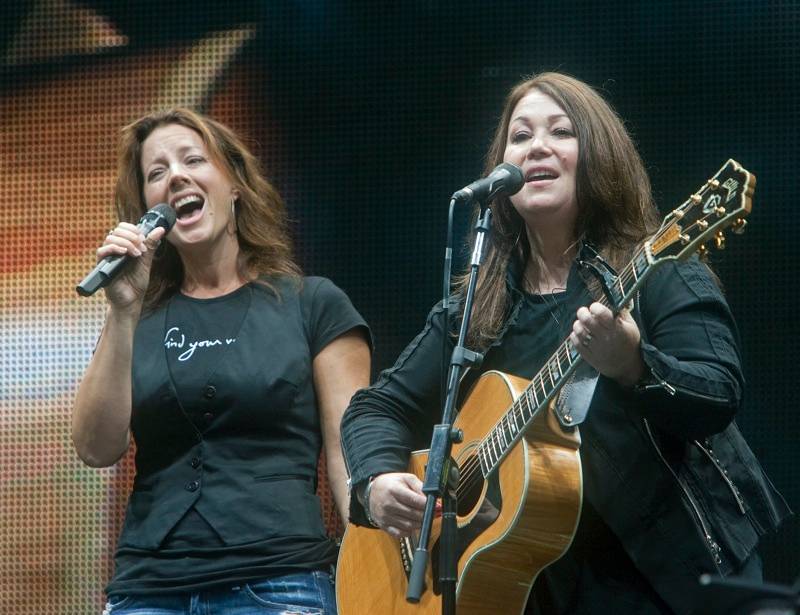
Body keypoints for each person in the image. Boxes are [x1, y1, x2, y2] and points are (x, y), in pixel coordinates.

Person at [340, 73, 790, 614]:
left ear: (598, 155)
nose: (538, 147)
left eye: (561, 131)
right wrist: (378, 481)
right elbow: (376, 406)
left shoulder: (660, 272)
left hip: (675, 581)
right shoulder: (475, 311)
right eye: (521, 136)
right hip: (538, 592)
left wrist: (633, 365)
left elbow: (719, 393)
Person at [72, 108, 371, 614]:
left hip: (278, 583)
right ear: (147, 207)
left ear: (235, 184)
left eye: (193, 159)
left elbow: (351, 455)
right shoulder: (138, 315)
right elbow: (96, 448)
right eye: (157, 173)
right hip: (148, 590)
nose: (177, 177)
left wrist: (378, 569)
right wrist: (122, 312)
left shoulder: (313, 304)